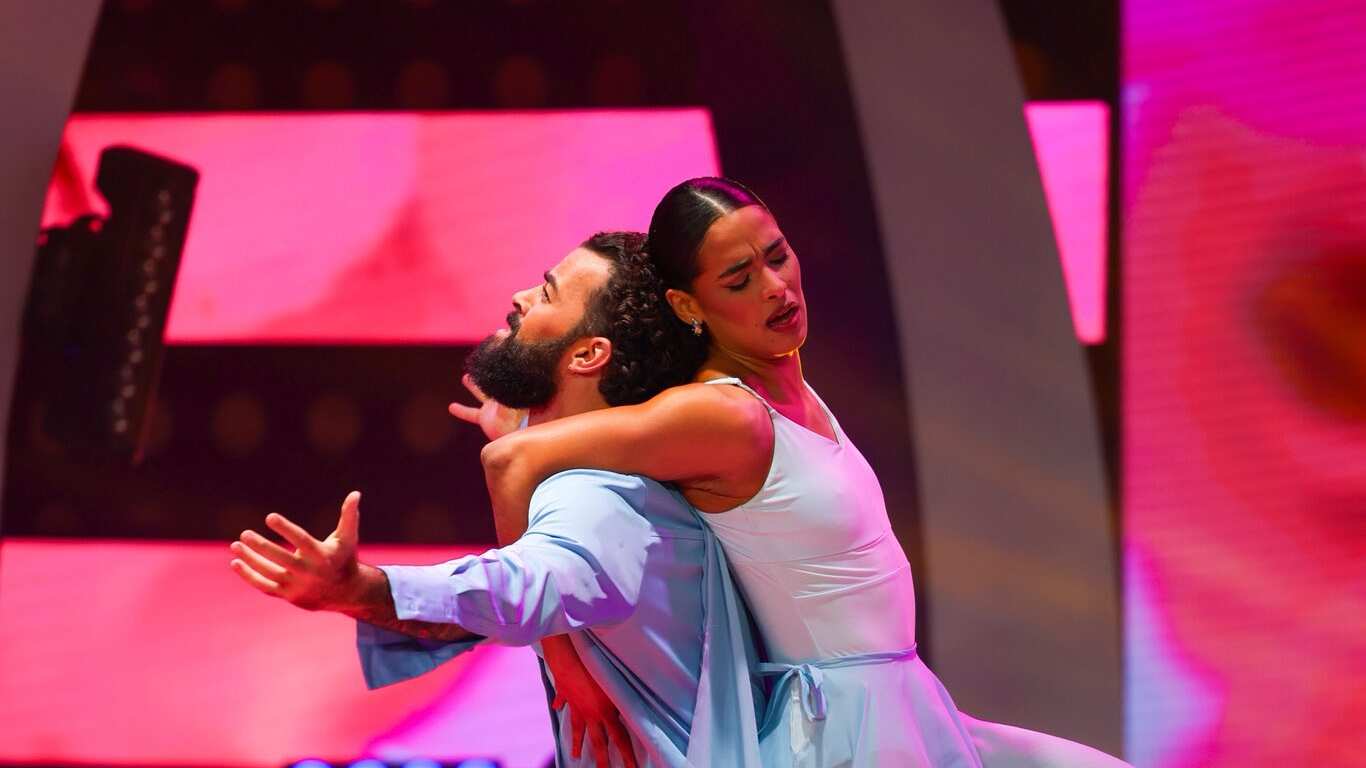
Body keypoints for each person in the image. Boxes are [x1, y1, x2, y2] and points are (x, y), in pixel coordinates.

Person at [478, 178, 1132, 767]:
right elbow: (511, 462)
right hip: (842, 732)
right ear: (688, 305)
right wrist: (566, 666)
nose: (775, 287)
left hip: (900, 703)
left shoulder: (784, 384)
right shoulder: (725, 413)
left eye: (777, 256)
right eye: (738, 280)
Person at [228, 232, 766, 768]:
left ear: (588, 354)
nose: (520, 297)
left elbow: (516, 592)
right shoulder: (616, 481)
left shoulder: (597, 497)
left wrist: (360, 589)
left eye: (548, 293)